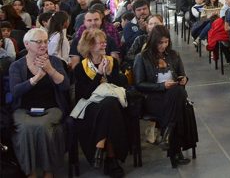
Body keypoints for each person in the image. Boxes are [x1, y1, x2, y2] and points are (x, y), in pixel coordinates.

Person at [9, 28, 70, 178]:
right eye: (39, 42)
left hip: (51, 107)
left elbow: (65, 86)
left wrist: (50, 70)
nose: (43, 45)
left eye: (45, 41)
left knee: (43, 127)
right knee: (25, 129)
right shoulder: (16, 66)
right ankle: (31, 172)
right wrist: (35, 79)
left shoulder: (55, 61)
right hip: (23, 109)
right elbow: (15, 92)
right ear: (27, 44)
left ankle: (48, 171)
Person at [133, 25, 193, 168]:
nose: (163, 45)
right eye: (160, 42)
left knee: (177, 92)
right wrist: (161, 86)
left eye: (166, 42)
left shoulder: (173, 55)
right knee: (179, 102)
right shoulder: (142, 57)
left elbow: (182, 75)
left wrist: (184, 79)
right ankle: (175, 152)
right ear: (153, 41)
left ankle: (167, 134)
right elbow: (139, 84)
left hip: (172, 95)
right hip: (153, 98)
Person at [71, 29, 128, 176]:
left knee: (109, 104)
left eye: (104, 41)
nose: (104, 44)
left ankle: (100, 145)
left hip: (112, 103)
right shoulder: (80, 67)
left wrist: (108, 74)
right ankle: (111, 158)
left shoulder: (112, 61)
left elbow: (118, 86)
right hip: (91, 105)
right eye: (99, 42)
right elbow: (84, 94)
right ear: (89, 46)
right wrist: (98, 75)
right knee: (108, 108)